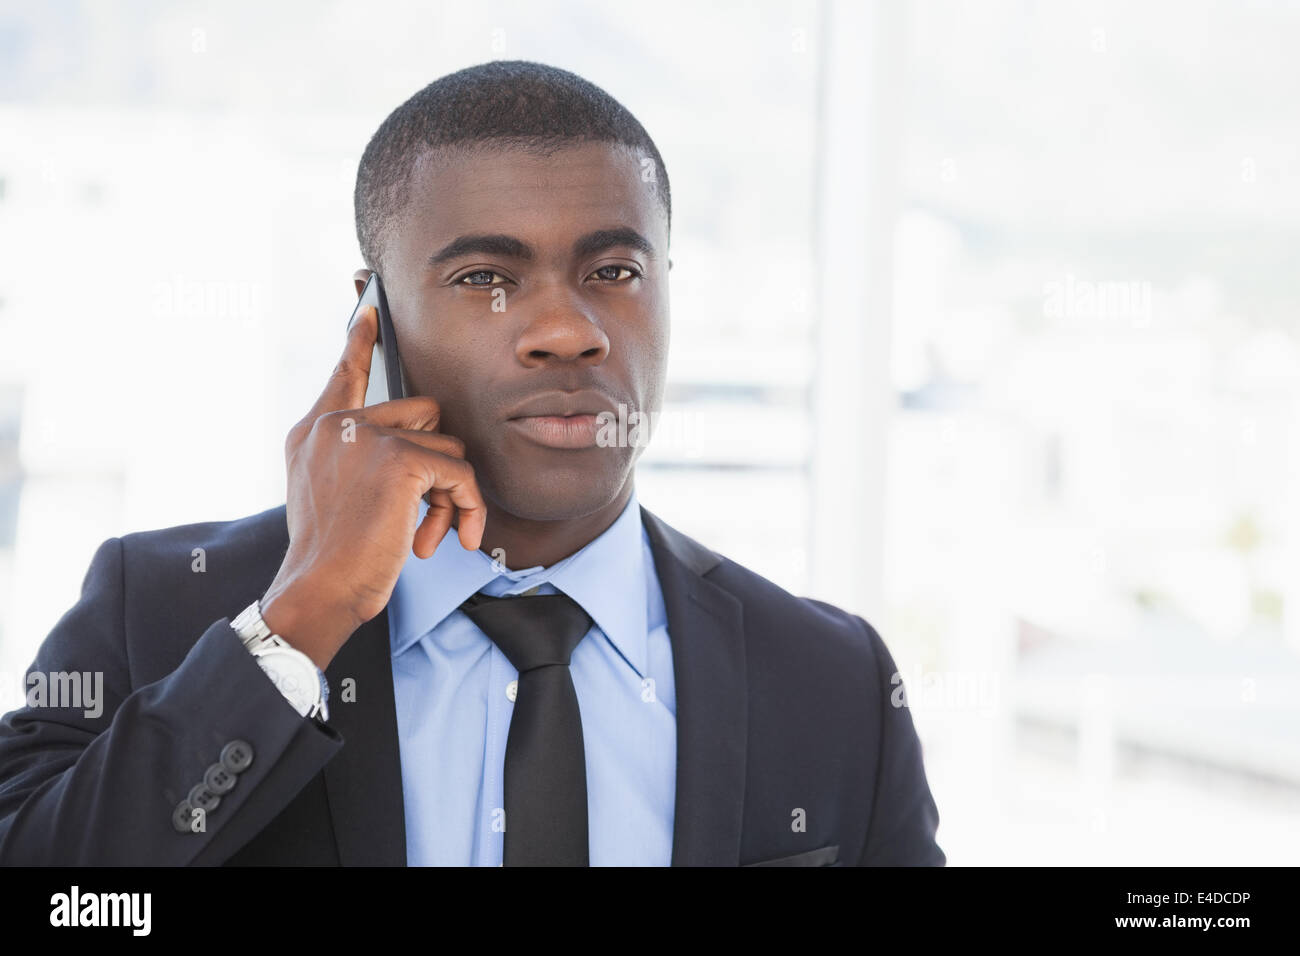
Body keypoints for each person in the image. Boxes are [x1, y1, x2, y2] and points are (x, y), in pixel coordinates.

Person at [0, 60, 944, 866]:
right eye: (485, 279)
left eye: (614, 272)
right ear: (372, 322)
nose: (568, 333)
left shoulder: (832, 680)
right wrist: (301, 621)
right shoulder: (157, 609)